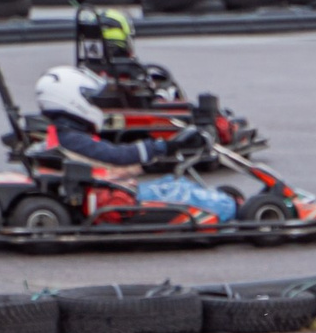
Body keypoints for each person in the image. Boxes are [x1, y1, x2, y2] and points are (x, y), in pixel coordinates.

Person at [29, 66, 234, 222]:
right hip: (112, 198)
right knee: (180, 190)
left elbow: (110, 163)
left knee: (171, 182)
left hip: (107, 188)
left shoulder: (62, 134)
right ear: (71, 100)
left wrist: (153, 158)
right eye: (92, 100)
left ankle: (222, 199)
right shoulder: (72, 138)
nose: (97, 106)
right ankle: (231, 206)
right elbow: (117, 156)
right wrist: (166, 146)